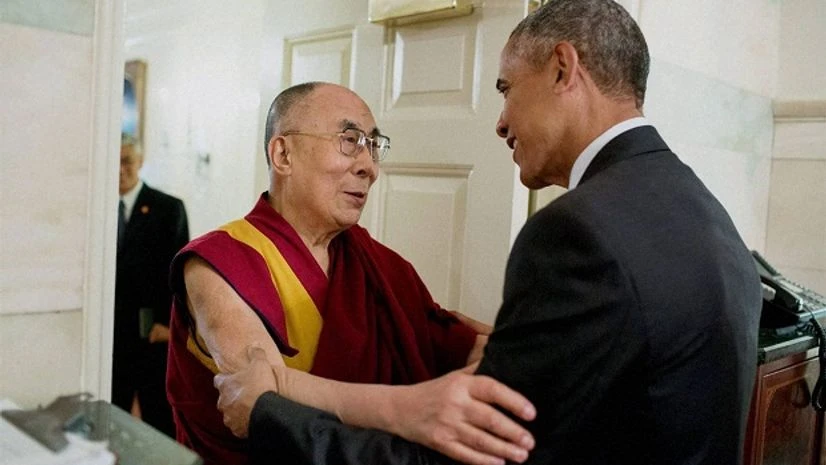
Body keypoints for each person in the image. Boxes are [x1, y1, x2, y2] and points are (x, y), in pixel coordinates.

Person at [213, 1, 763, 464]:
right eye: (348, 141)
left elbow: (476, 450)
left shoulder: (577, 234)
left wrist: (271, 410)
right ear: (280, 152)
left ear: (562, 69)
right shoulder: (705, 212)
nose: (500, 121)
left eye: (506, 89)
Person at [165, 81, 536, 465]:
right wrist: (415, 407)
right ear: (283, 154)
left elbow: (454, 342)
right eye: (350, 140)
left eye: (374, 146)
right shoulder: (218, 263)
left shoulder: (381, 267)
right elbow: (265, 407)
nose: (369, 167)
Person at [113, 136, 189, 438]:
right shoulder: (96, 208)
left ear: (140, 162)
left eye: (127, 161)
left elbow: (181, 276)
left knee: (158, 415)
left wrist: (171, 326)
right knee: (112, 410)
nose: (120, 170)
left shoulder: (168, 209)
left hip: (152, 331)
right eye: (115, 161)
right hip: (112, 334)